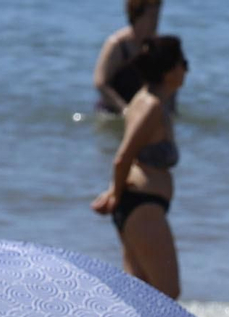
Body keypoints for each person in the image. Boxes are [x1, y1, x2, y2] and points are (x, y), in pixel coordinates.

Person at [91, 36, 187, 299]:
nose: (186, 70)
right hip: (141, 205)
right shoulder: (151, 106)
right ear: (169, 70)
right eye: (184, 63)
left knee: (141, 297)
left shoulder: (144, 100)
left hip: (136, 205)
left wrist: (115, 192)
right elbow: (123, 157)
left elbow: (129, 159)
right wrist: (115, 194)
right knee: (167, 293)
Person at [93, 0, 162, 114]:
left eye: (158, 16)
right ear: (137, 16)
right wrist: (124, 109)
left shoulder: (156, 46)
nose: (156, 22)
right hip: (111, 112)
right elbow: (100, 83)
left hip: (140, 112)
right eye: (152, 16)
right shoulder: (117, 44)